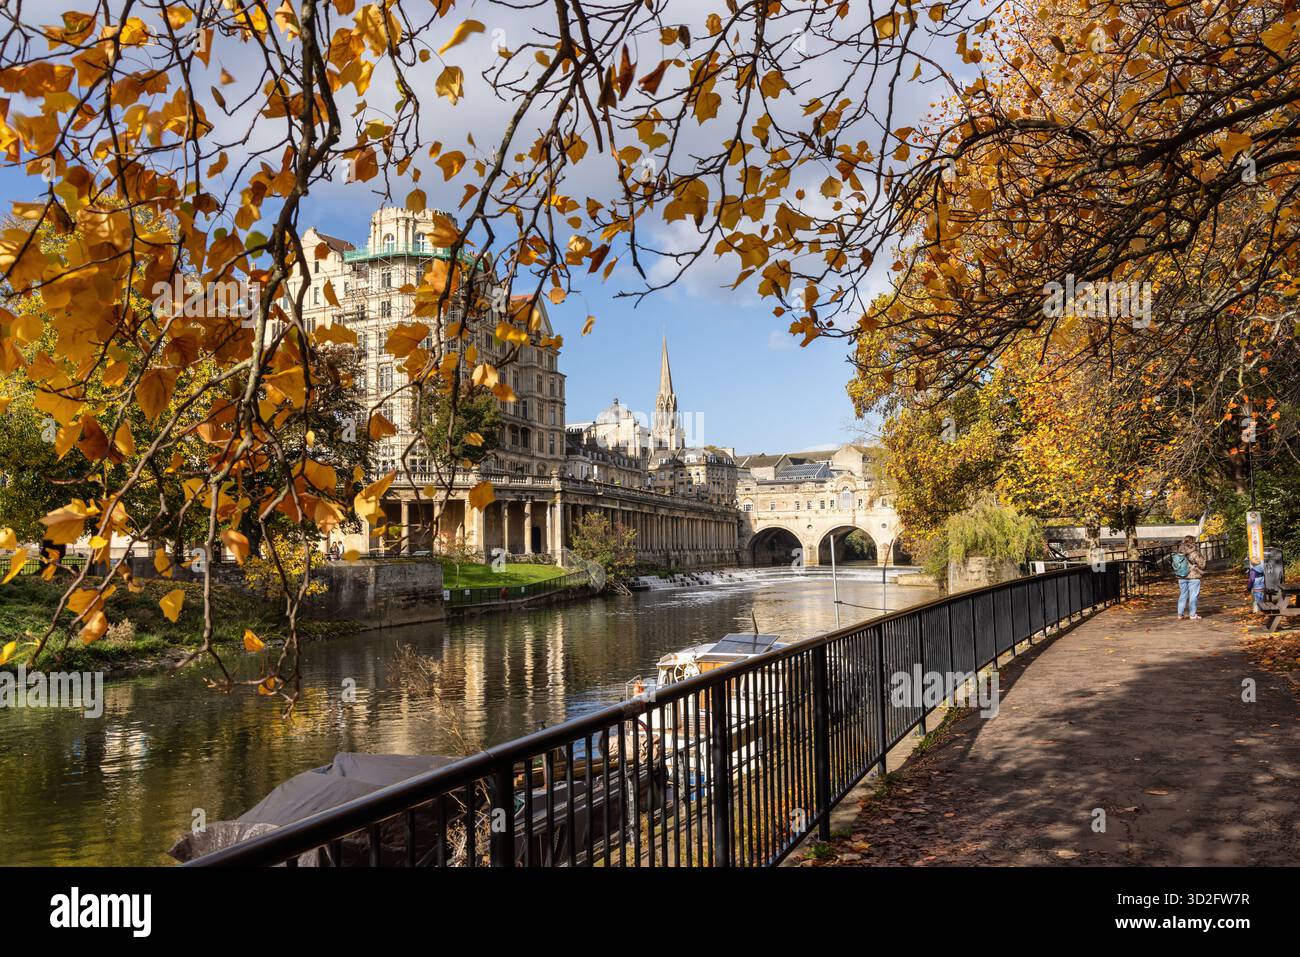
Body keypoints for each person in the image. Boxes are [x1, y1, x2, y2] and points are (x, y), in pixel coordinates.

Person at [1172, 535, 1206, 620]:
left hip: (1181, 576)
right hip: (1193, 577)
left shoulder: (1179, 552)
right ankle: (1192, 614)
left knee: (1183, 595)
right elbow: (1202, 565)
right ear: (1193, 542)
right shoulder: (1194, 552)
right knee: (1193, 596)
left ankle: (1180, 614)